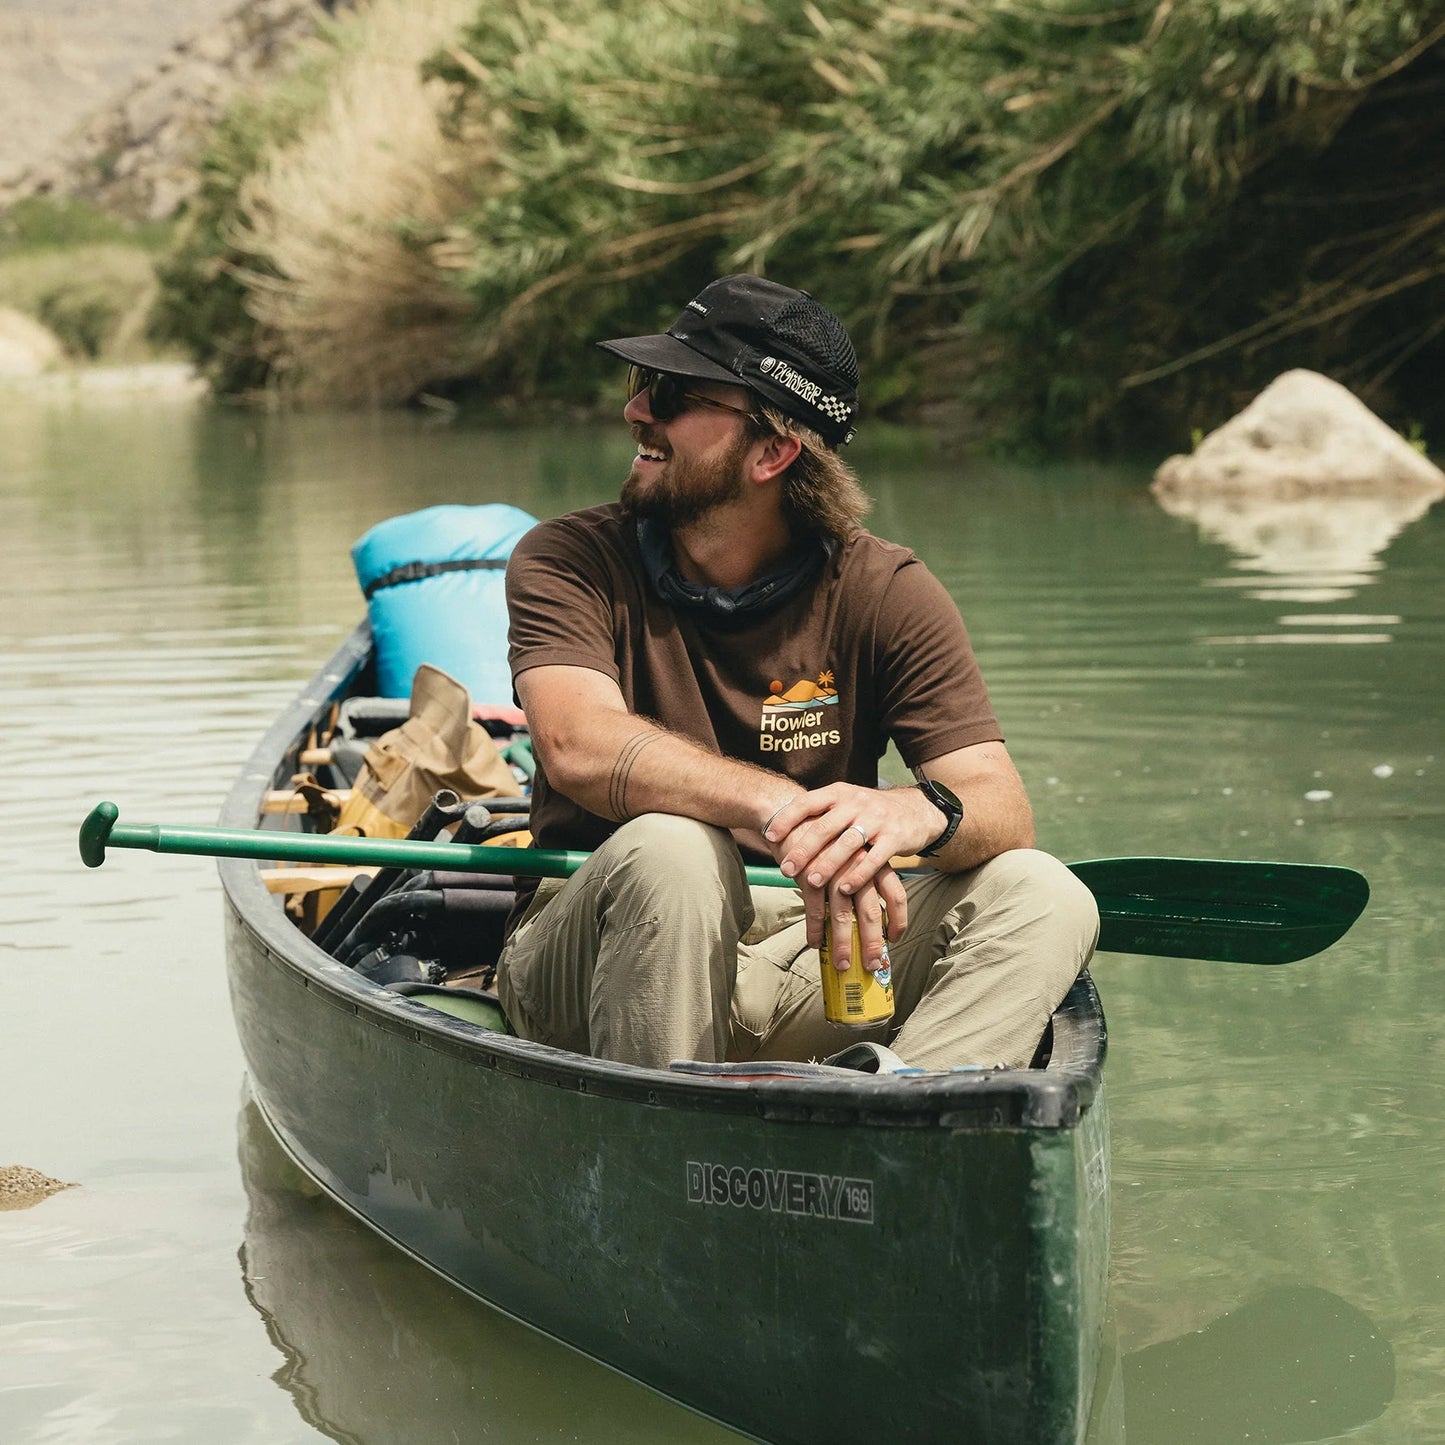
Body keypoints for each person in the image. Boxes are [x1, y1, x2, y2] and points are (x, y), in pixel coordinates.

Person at [498, 274, 1097, 1072]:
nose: (636, 411)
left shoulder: (886, 590)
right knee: (673, 850)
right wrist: (792, 811)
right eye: (644, 383)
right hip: (597, 949)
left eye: (673, 393)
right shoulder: (568, 558)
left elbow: (1000, 806)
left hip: (813, 953)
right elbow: (577, 744)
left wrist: (909, 817)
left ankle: (909, 1131)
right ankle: (670, 1155)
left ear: (774, 451)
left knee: (1043, 890)